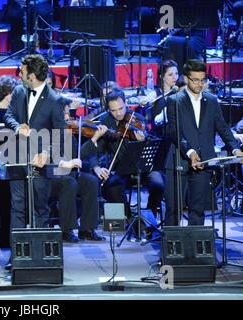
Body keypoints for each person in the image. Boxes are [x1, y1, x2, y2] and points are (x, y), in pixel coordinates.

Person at [164, 59, 243, 226]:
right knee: (173, 209)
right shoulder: (175, 100)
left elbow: (223, 128)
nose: (200, 84)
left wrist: (235, 150)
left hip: (205, 160)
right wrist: (191, 152)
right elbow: (174, 132)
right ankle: (172, 248)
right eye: (196, 80)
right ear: (186, 79)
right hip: (179, 160)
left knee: (198, 209)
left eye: (203, 80)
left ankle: (195, 249)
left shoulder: (212, 100)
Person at [4, 54, 66, 262]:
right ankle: (17, 256)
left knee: (40, 207)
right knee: (17, 206)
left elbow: (59, 134)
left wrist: (47, 153)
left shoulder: (56, 100)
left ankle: (38, 255)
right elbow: (9, 115)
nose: (18, 74)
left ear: (31, 75)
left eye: (21, 71)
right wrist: (16, 126)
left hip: (41, 160)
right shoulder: (19, 91)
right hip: (17, 156)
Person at [81, 89, 164, 236]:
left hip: (141, 167)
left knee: (158, 183)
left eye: (121, 108)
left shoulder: (137, 120)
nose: (118, 113)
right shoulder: (105, 121)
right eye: (113, 110)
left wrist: (143, 141)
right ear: (108, 109)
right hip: (119, 168)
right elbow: (93, 147)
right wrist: (96, 167)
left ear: (126, 103)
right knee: (111, 185)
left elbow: (152, 145)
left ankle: (150, 217)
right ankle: (130, 219)